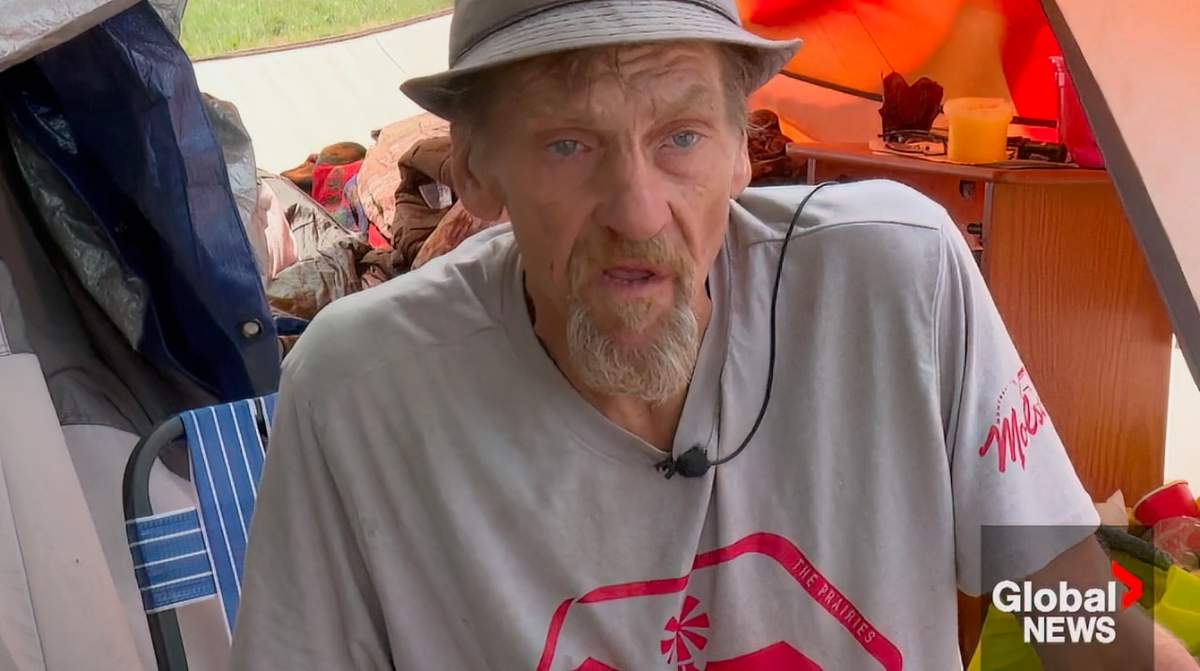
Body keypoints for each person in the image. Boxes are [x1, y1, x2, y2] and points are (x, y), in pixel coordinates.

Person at [231, 1, 1198, 668]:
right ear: (474, 170)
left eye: (681, 135)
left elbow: (1048, 593)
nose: (638, 209)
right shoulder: (366, 394)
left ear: (745, 145)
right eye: (570, 143)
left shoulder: (897, 286)